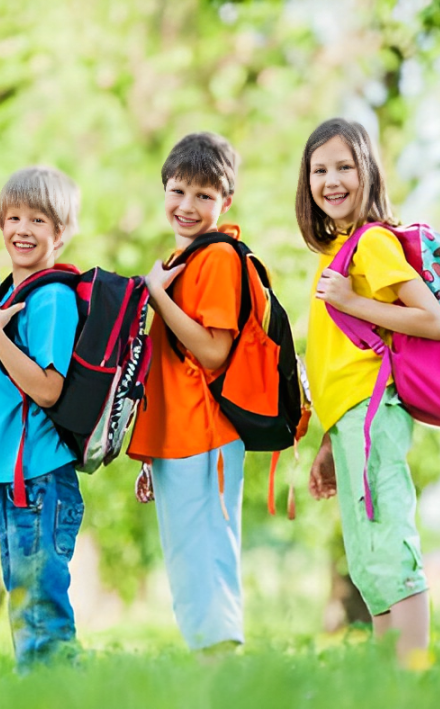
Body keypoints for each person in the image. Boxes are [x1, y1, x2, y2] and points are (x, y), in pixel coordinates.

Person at [297, 118, 440, 665]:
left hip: (374, 414)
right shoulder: (335, 250)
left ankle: (413, 671)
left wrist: (351, 300)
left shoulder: (373, 242)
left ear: (368, 173)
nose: (331, 180)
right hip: (349, 422)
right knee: (366, 560)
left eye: (344, 166)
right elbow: (342, 359)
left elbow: (432, 321)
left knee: (389, 544)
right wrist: (325, 443)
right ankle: (392, 680)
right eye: (319, 169)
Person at [128, 132, 265, 653]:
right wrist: (149, 453)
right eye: (178, 190)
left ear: (225, 202)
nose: (187, 206)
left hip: (205, 434)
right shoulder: (179, 259)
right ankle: (210, 673)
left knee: (206, 557)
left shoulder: (217, 259)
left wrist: (158, 296)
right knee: (187, 560)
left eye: (204, 196)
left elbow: (212, 353)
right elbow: (164, 364)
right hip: (177, 435)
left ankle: (222, 673)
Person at [0, 166, 84, 671]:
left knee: (42, 612)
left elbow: (47, 388)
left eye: (38, 219)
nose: (21, 229)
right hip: (19, 480)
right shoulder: (12, 299)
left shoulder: (51, 297)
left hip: (41, 482)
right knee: (26, 605)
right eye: (13, 216)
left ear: (60, 232)